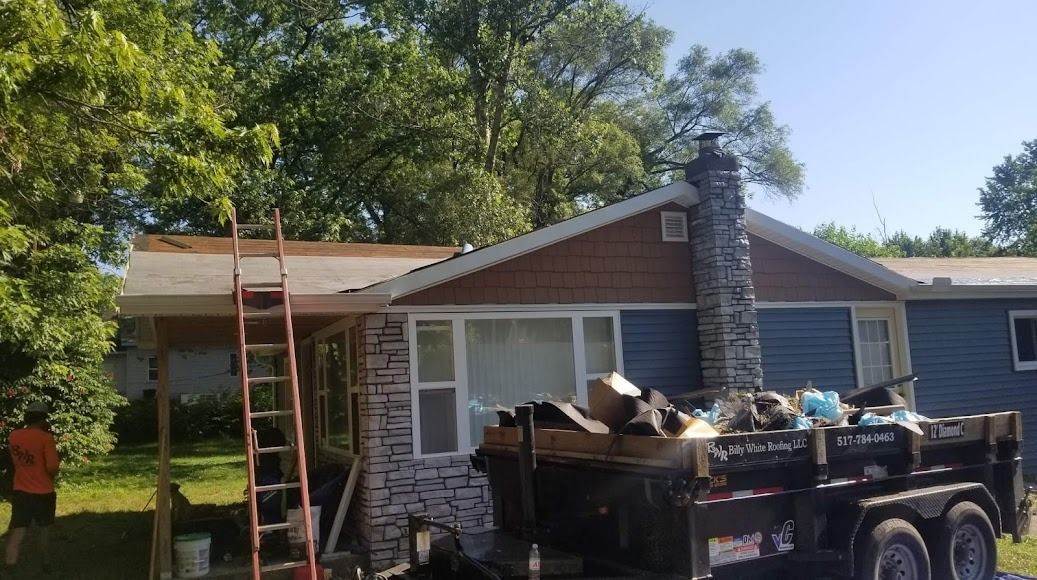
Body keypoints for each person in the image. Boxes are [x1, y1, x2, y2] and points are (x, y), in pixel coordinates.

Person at [4, 402, 59, 573]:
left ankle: (10, 563)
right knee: (44, 529)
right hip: (44, 492)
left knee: (18, 528)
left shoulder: (14, 436)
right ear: (43, 418)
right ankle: (46, 562)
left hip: (21, 490)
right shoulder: (46, 438)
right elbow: (52, 467)